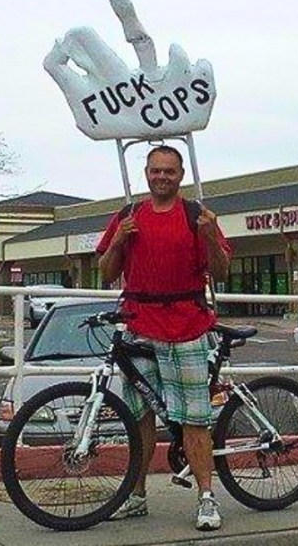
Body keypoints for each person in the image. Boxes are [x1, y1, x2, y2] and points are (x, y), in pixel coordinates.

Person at [96, 145, 231, 531]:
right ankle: (136, 496)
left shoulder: (197, 216)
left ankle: (206, 497)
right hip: (139, 326)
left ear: (181, 174)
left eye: (169, 171)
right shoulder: (127, 216)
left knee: (194, 418)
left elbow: (220, 271)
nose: (161, 177)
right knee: (138, 417)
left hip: (187, 326)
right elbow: (107, 273)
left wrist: (208, 237)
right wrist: (119, 240)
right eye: (155, 171)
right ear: (146, 173)